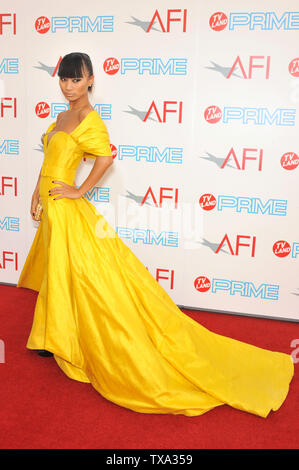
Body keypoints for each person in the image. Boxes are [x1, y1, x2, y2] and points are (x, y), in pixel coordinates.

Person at [17, 52, 294, 418]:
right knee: (58, 272)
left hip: (68, 210)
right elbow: (48, 159)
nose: (69, 86)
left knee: (83, 278)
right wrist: (38, 189)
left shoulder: (89, 119)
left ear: (90, 81)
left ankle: (70, 337)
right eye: (64, 79)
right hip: (51, 206)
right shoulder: (61, 117)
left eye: (76, 78)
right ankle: (55, 336)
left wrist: (79, 191)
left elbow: (104, 159)